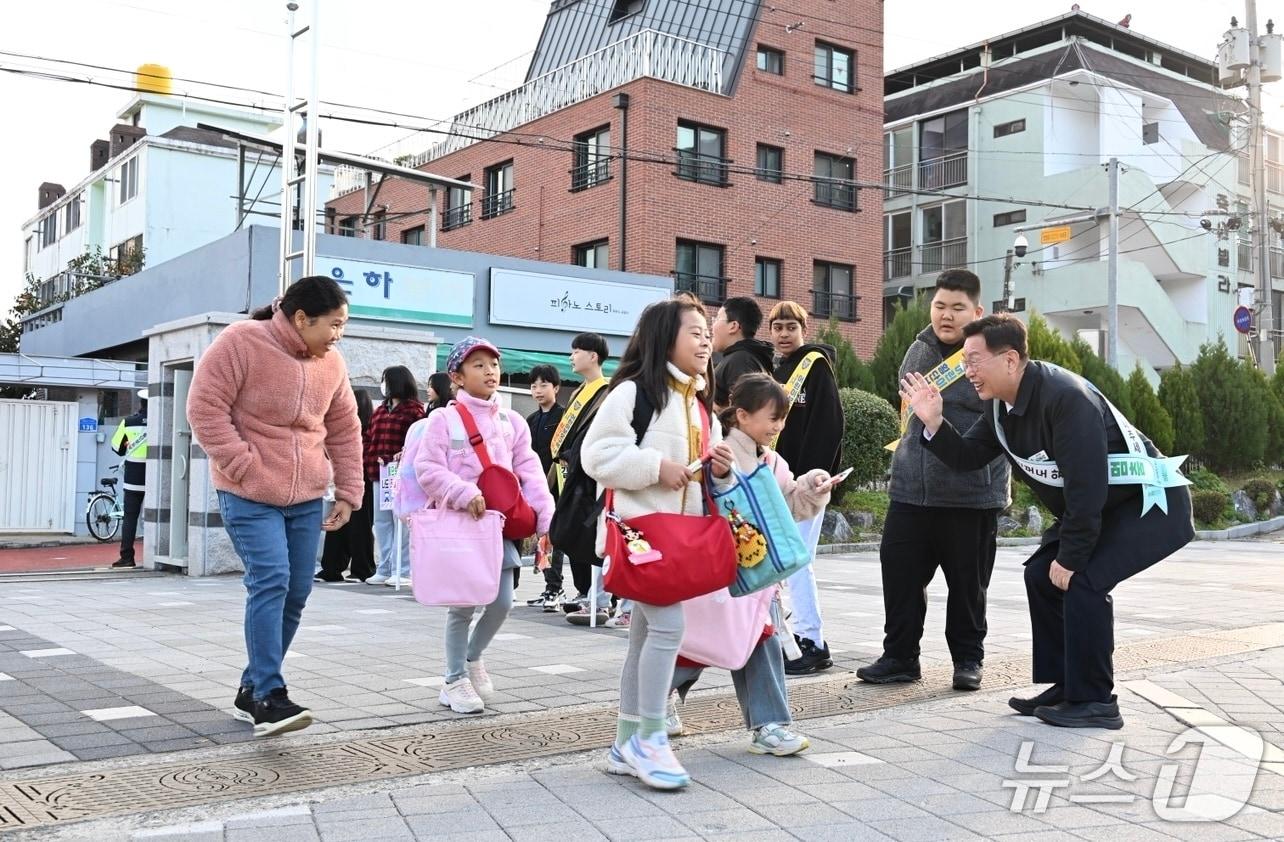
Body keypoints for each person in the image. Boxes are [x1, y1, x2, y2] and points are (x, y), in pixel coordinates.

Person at [901, 313, 1194, 729]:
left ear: (1010, 359)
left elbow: (1086, 487)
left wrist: (1072, 557)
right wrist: (933, 422)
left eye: (974, 361)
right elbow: (968, 459)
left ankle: (1096, 701)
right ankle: (1067, 684)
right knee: (1041, 573)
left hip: (1149, 506)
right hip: (1102, 506)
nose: (967, 373)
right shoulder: (999, 405)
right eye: (964, 362)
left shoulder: (1065, 397)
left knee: (1083, 580)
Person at [187, 275, 362, 738]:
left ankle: (252, 687)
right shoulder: (242, 341)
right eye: (334, 324)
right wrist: (243, 464)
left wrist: (348, 491)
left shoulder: (332, 363)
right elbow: (204, 408)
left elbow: (345, 429)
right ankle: (269, 695)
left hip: (306, 495)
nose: (338, 334)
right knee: (271, 579)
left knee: (298, 591)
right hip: (247, 492)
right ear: (301, 318)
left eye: (344, 325)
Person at [582, 297, 734, 791]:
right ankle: (650, 737)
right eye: (694, 332)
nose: (706, 340)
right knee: (669, 629)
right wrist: (655, 467)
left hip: (673, 542)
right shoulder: (634, 392)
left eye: (706, 333)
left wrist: (716, 467)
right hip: (645, 538)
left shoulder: (696, 400)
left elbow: (692, 475)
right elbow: (597, 454)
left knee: (645, 637)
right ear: (664, 338)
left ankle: (627, 743)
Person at [858, 270, 1011, 692]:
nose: (946, 315)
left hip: (971, 495)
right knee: (901, 576)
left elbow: (992, 424)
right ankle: (900, 657)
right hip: (911, 491)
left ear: (977, 311)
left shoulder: (989, 355)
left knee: (967, 586)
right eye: (940, 305)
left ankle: (967, 660)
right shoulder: (918, 350)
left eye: (957, 308)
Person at [670, 373, 830, 756]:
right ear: (741, 415)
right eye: (771, 417)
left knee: (755, 640)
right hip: (721, 570)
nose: (778, 426)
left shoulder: (772, 460)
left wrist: (813, 486)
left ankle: (769, 724)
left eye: (782, 418)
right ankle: (657, 699)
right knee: (709, 641)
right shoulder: (719, 451)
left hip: (756, 574)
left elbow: (789, 504)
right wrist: (720, 477)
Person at [413, 337, 555, 714]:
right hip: (460, 525)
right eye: (478, 364)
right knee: (462, 607)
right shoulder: (443, 419)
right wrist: (462, 492)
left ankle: (472, 658)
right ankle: (453, 679)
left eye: (493, 363)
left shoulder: (511, 421)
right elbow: (427, 469)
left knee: (503, 601)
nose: (490, 370)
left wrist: (545, 515)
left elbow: (530, 470)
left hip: (498, 526)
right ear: (457, 376)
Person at [766, 301, 845, 675]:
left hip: (806, 486)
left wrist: (815, 478)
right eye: (777, 327)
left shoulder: (815, 367)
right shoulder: (776, 370)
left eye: (790, 327)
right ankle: (792, 640)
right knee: (784, 563)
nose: (784, 334)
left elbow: (828, 424)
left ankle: (812, 641)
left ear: (804, 328)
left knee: (797, 562)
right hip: (777, 482)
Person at [549, 332, 614, 625]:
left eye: (577, 351)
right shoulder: (577, 393)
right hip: (570, 473)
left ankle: (599, 599)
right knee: (574, 530)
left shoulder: (607, 391)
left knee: (594, 535)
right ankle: (586, 594)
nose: (572, 357)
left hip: (591, 478)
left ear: (594, 356)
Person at [365, 366, 426, 586]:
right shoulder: (380, 410)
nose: (383, 385)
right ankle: (385, 566)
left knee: (400, 521)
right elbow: (369, 437)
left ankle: (403, 568)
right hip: (379, 473)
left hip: (403, 475)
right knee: (381, 522)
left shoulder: (414, 411)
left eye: (386, 380)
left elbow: (418, 442)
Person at [318, 387, 377, 583]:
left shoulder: (368, 428)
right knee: (340, 525)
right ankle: (333, 567)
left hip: (363, 480)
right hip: (347, 481)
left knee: (359, 526)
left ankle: (361, 569)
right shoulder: (344, 428)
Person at [525, 364, 567, 610]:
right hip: (536, 487)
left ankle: (555, 588)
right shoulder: (531, 420)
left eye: (543, 385)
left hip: (557, 487)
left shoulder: (563, 417)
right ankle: (550, 587)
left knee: (553, 538)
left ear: (556, 388)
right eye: (533, 385)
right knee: (543, 538)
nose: (538, 390)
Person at [711, 296, 773, 411]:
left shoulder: (741, 360)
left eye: (716, 319)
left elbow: (746, 412)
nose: (712, 326)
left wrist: (711, 408)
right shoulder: (747, 357)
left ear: (733, 326)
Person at [109, 389, 148, 568]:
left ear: (141, 404)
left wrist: (127, 444)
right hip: (158, 478)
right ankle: (157, 556)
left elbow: (117, 448)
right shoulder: (162, 421)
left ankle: (127, 557)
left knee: (130, 517)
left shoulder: (129, 422)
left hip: (133, 477)